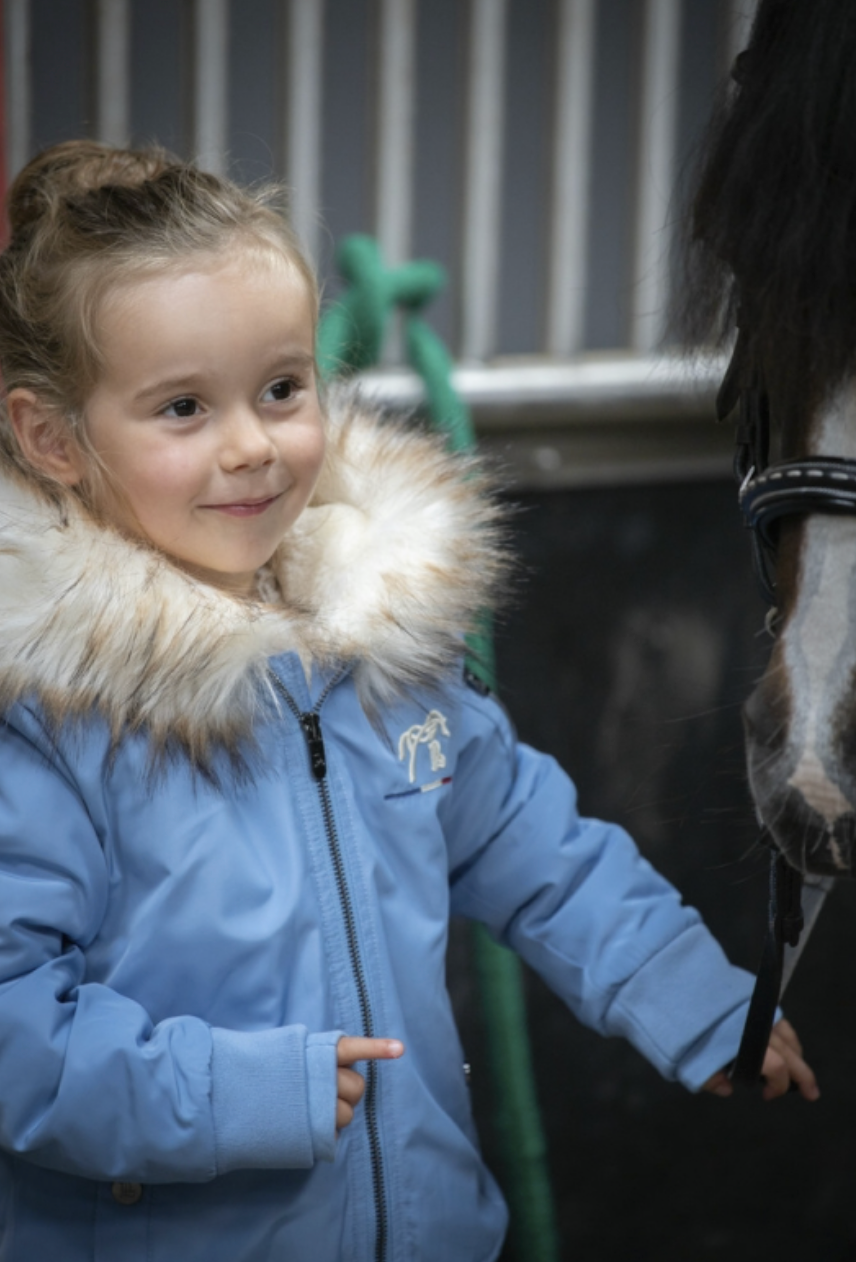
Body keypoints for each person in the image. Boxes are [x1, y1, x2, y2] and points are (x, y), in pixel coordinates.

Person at [0, 140, 815, 1262]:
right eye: (183, 407)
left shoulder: (375, 653)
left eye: (282, 388)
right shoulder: (47, 718)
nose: (252, 445)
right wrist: (245, 1091)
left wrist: (693, 998)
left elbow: (537, 845)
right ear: (52, 436)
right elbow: (13, 1032)